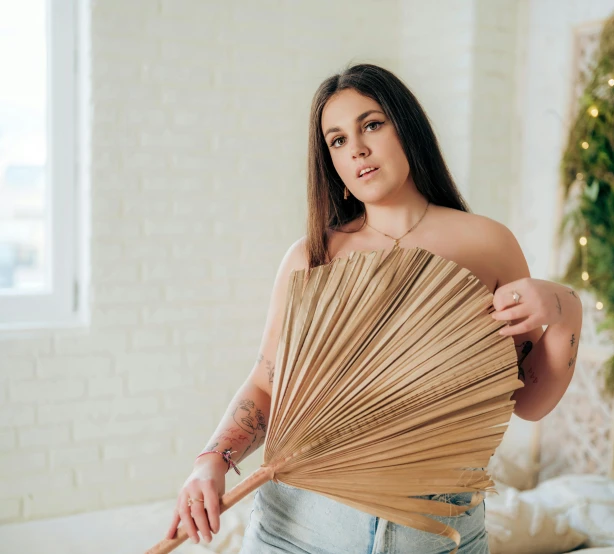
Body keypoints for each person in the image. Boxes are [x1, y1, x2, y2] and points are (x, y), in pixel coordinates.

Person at [165, 63, 583, 553]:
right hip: (299, 526)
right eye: (337, 140)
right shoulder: (310, 257)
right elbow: (265, 381)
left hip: (438, 531)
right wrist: (211, 461)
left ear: (406, 128)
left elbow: (528, 403)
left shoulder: (487, 243)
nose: (357, 148)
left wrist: (566, 309)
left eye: (372, 124)